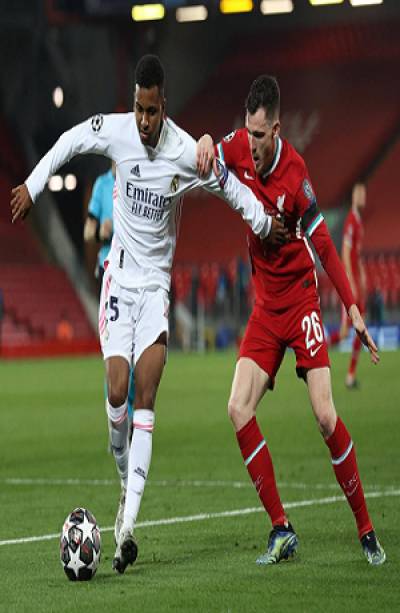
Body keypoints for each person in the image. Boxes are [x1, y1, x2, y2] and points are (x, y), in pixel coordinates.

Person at [10, 55, 287, 574]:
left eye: (151, 111)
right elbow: (70, 140)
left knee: (146, 389)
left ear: (165, 107)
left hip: (156, 287)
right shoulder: (117, 132)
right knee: (117, 389)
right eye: (138, 109)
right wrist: (33, 183)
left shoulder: (185, 151)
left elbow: (229, 185)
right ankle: (124, 485)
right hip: (119, 281)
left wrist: (262, 219)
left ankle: (127, 527)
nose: (143, 120)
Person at [197, 75, 385, 566]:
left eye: (260, 136)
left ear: (277, 129)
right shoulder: (238, 146)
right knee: (237, 408)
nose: (252, 144)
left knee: (325, 415)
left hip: (301, 301)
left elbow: (322, 242)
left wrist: (352, 307)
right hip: (264, 308)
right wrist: (202, 141)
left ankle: (365, 528)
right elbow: (214, 150)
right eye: (248, 133)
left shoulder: (296, 174)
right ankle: (281, 529)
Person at [84, 161, 136, 542]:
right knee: (115, 366)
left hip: (137, 272)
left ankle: (128, 427)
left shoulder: (138, 177)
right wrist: (98, 229)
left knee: (133, 366)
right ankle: (121, 428)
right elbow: (88, 228)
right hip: (108, 272)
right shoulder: (103, 185)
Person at [328, 183, 368, 389]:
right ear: (353, 197)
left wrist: (362, 277)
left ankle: (351, 376)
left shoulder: (359, 222)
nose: (362, 197)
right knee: (345, 332)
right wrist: (351, 282)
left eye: (364, 194)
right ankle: (317, 351)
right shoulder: (351, 221)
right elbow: (345, 251)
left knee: (361, 328)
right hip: (349, 286)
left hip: (356, 285)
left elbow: (357, 256)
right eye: (359, 194)